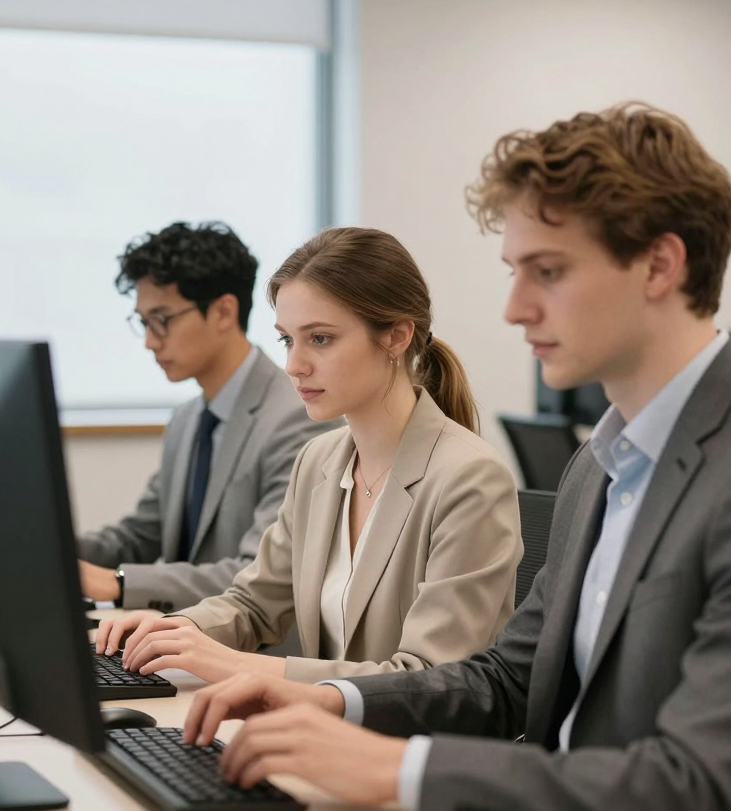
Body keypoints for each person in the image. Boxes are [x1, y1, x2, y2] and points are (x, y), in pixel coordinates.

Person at [176, 105, 731, 811]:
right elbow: (504, 680)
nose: (513, 308)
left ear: (659, 265)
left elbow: (693, 791)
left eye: (546, 272)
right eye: (515, 272)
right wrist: (328, 703)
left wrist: (400, 772)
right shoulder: (601, 462)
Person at [95, 227, 520, 683]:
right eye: (287, 340)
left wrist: (239, 665)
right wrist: (177, 629)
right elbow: (254, 603)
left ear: (396, 337)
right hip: (322, 734)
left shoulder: (469, 478)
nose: (294, 365)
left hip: (406, 749)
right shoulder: (319, 461)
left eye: (319, 339)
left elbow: (430, 678)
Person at [77, 220, 331, 613]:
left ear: (224, 312)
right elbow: (140, 535)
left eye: (162, 319)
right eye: (143, 322)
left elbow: (259, 573)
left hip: (256, 654)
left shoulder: (298, 416)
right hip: (184, 641)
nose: (149, 341)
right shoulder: (187, 419)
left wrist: (118, 582)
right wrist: (47, 548)